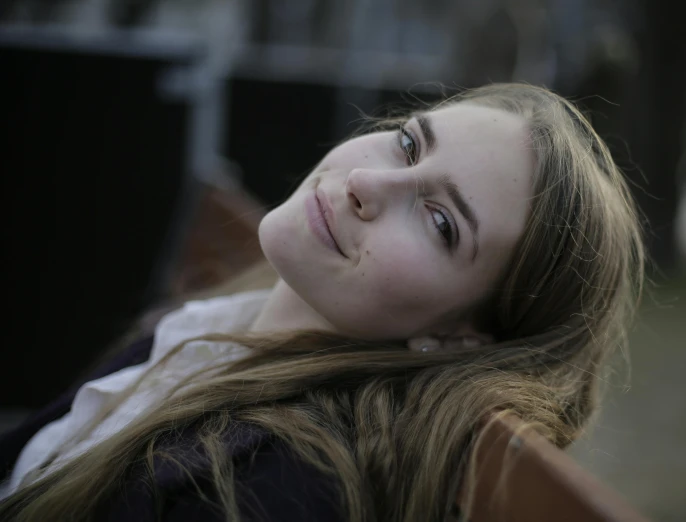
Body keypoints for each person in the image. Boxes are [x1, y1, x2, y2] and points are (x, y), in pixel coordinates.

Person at [0, 83, 644, 521]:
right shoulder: (212, 329)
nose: (365, 181)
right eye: (407, 143)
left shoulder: (266, 492)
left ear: (461, 337)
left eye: (442, 222)